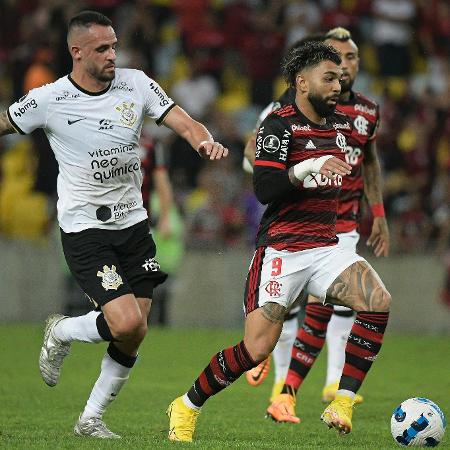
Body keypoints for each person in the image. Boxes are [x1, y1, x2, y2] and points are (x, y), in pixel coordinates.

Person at [0, 10, 228, 439]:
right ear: (77, 52)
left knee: (135, 331)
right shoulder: (49, 99)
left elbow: (181, 119)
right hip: (85, 229)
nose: (112, 55)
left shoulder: (136, 82)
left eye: (114, 46)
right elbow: (6, 121)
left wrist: (203, 139)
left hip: (134, 226)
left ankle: (90, 419)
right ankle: (63, 329)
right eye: (102, 49)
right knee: (125, 323)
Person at [167, 41, 391, 442]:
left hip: (327, 247)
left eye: (341, 78)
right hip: (282, 251)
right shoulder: (279, 125)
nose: (338, 86)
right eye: (329, 79)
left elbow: (366, 160)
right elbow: (267, 187)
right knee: (254, 350)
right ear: (302, 83)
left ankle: (342, 400)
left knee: (377, 302)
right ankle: (186, 405)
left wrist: (373, 210)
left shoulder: (340, 125)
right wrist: (309, 167)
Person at [263, 27, 390, 423]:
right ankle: (267, 359)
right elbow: (263, 142)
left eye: (350, 58)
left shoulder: (367, 112)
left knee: (332, 307)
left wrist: (379, 214)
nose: (344, 66)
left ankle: (311, 391)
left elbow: (369, 160)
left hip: (343, 224)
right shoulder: (301, 106)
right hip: (297, 225)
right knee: (292, 308)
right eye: (335, 61)